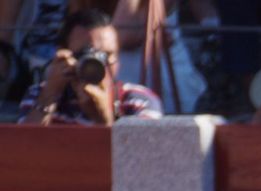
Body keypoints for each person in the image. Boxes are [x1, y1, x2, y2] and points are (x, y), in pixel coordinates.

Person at [16, 7, 163, 124]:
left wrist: (103, 119)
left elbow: (140, 152)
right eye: (85, 54)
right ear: (64, 55)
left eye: (107, 55)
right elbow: (24, 147)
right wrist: (49, 96)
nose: (99, 64)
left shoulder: (139, 100)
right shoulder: (39, 95)